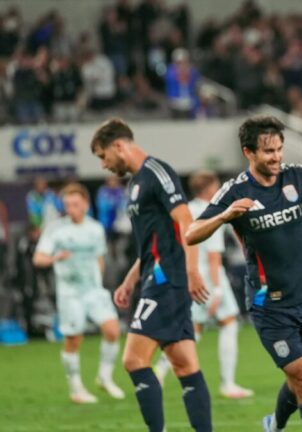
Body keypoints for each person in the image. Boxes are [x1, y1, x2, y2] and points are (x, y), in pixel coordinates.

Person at [186, 115, 302, 432]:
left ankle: (275, 425)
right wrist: (224, 216)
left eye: (280, 149)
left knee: (301, 378)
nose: (277, 157)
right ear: (249, 153)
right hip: (270, 306)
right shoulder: (235, 190)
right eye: (269, 151)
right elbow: (192, 233)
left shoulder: (297, 177)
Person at [91, 119, 212, 432]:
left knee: (133, 360)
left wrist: (192, 270)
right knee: (184, 364)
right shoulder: (136, 184)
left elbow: (187, 222)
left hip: (167, 280)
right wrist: (130, 280)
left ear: (119, 145)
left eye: (103, 156)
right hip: (155, 278)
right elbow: (151, 245)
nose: (104, 165)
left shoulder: (157, 172)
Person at [154, 170, 254, 399]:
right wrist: (217, 288)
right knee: (228, 323)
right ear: (210, 188)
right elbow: (213, 254)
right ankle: (228, 383)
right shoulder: (212, 212)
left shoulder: (186, 209)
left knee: (194, 328)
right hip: (207, 277)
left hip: (186, 274)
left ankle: (160, 368)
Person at [32, 183, 124, 403]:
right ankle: (76, 388)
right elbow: (38, 258)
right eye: (66, 204)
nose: (70, 208)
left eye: (74, 204)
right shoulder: (56, 229)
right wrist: (55, 258)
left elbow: (100, 257)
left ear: (85, 204)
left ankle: (104, 377)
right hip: (70, 293)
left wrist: (98, 280)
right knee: (74, 339)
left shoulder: (95, 228)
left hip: (93, 290)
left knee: (112, 330)